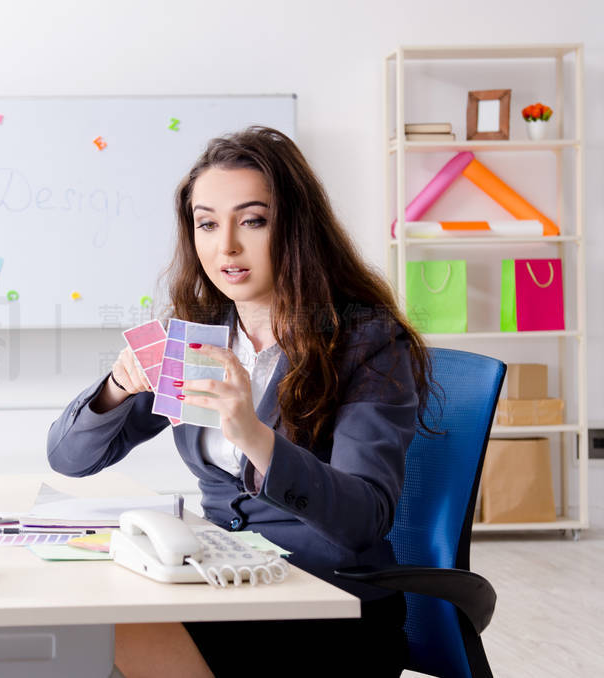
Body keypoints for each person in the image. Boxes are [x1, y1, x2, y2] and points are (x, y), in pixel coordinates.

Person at [47, 127, 434, 677]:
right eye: (207, 223)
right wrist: (118, 385)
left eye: (252, 220)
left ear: (295, 228)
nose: (225, 246)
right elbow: (68, 458)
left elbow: (363, 519)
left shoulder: (365, 342)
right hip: (226, 588)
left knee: (107, 637)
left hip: (327, 610)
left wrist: (253, 435)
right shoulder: (197, 337)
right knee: (84, 620)